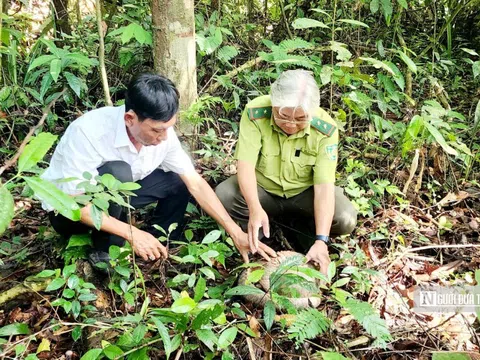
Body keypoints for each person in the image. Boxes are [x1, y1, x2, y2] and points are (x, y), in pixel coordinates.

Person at [42, 73, 276, 268]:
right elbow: (74, 205)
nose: (163, 137)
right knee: (118, 172)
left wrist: (235, 232)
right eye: (156, 130)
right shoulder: (88, 132)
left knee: (178, 180)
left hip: (121, 197)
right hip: (69, 212)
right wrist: (132, 232)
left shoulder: (164, 135)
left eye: (168, 128)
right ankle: (106, 250)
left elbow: (195, 183)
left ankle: (161, 240)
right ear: (130, 118)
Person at [215, 69, 357, 275]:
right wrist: (254, 208)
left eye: (301, 118)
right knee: (224, 196)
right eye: (283, 115)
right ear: (273, 105)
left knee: (344, 218)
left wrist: (322, 240)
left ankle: (306, 234)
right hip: (263, 189)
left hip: (304, 193)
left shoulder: (326, 129)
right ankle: (258, 242)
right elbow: (245, 166)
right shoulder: (255, 112)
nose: (291, 124)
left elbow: (324, 187)